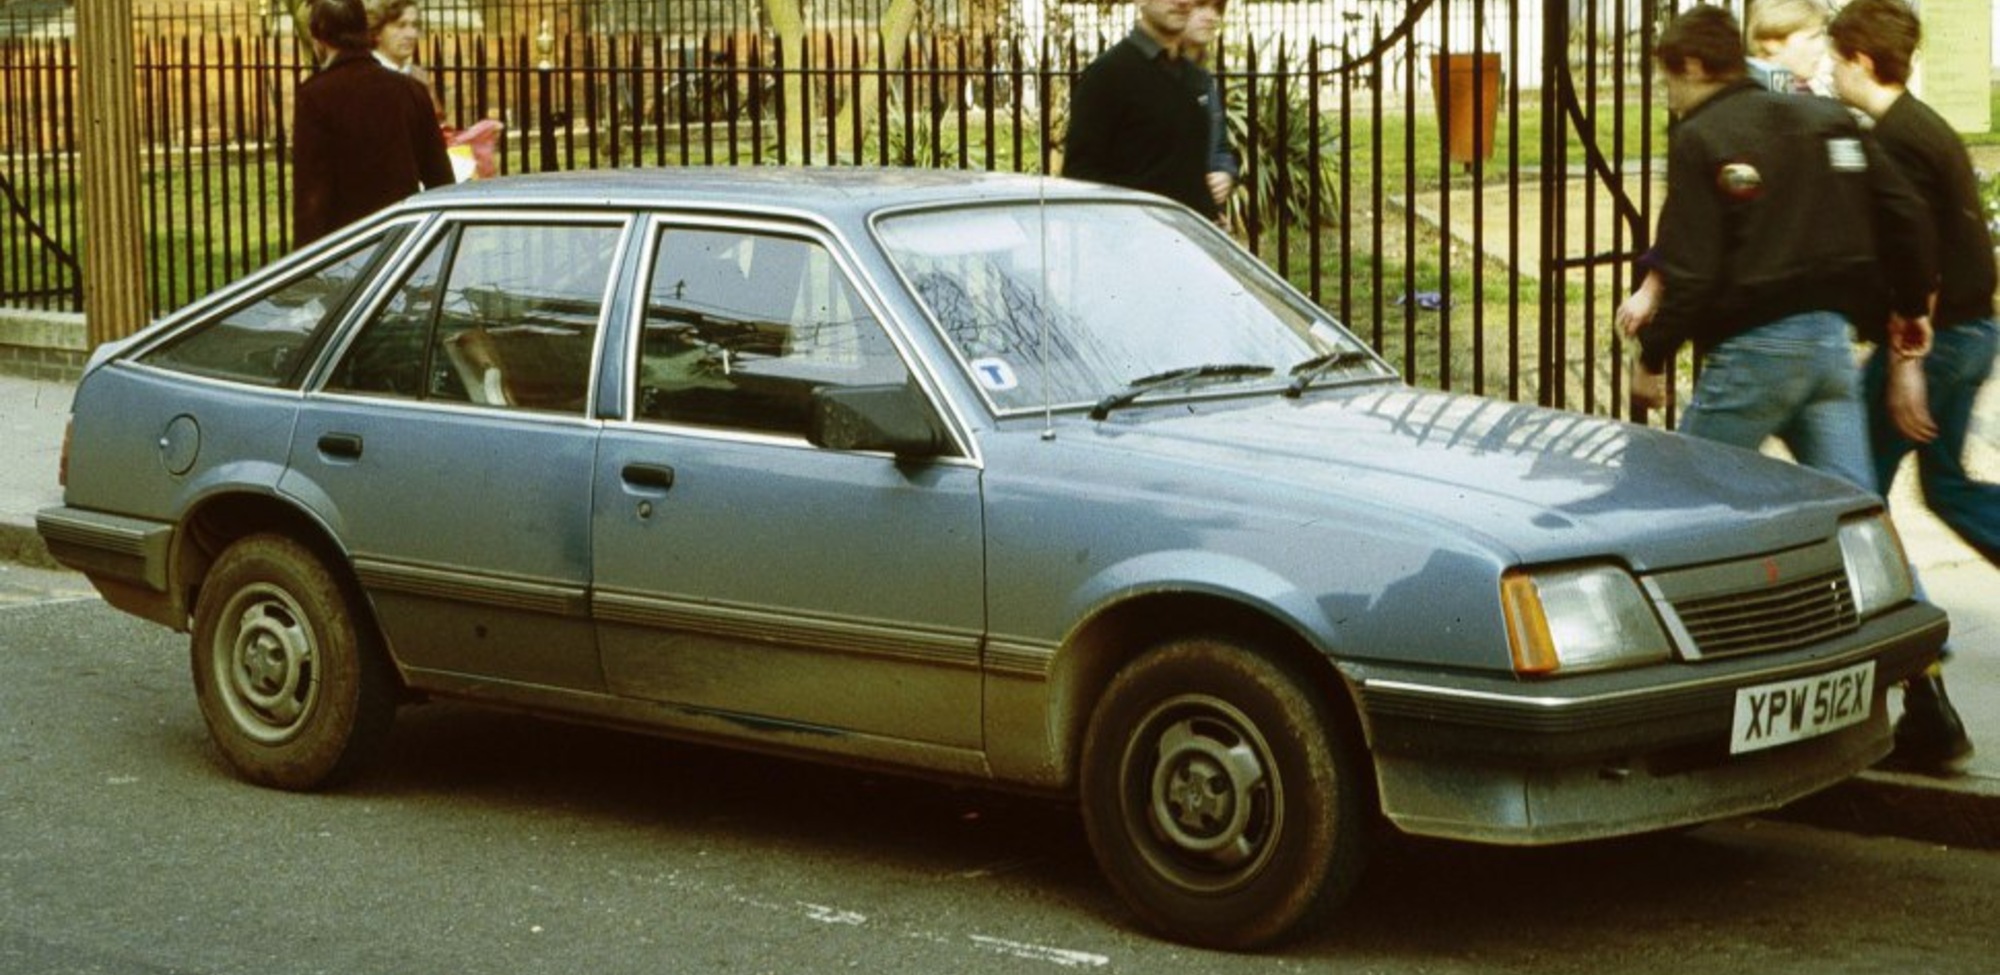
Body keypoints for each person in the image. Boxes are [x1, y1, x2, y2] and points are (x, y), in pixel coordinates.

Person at [1627, 5, 1931, 492]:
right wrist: (1912, 306)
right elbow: (1906, 213)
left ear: (1694, 67)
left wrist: (1652, 357)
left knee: (1678, 493)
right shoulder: (1826, 118)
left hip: (1755, 351)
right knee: (1852, 507)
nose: (1672, 95)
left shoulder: (1700, 136)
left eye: (1670, 81)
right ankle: (1889, 573)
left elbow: (1693, 267)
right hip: (1830, 344)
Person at [1828, 0, 1993, 772]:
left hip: (1940, 342)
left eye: (1835, 60)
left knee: (1853, 496)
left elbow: (1918, 256)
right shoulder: (1923, 126)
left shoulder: (1891, 139)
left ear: (1862, 60)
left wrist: (1905, 363)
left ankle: (1920, 684)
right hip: (1970, 331)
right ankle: (1924, 692)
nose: (1830, 73)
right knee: (1950, 489)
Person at [1616, 0, 1831, 333]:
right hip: (1752, 313)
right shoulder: (1742, 106)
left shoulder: (1810, 103)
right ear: (1773, 42)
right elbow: (1689, 210)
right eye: (1813, 36)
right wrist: (1652, 287)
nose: (1823, 47)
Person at [293, 0, 454, 247]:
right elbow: (440, 181)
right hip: (403, 245)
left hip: (344, 247)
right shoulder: (412, 90)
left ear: (319, 39)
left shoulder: (315, 96)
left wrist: (304, 264)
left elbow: (312, 197)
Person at [1062, 0, 1219, 220]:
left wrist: (1210, 216)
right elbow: (1081, 177)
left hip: (1189, 242)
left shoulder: (1196, 78)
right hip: (1132, 241)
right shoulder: (1107, 75)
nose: (1184, 2)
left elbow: (1187, 168)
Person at [1185, 0, 1239, 220]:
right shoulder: (1155, 77)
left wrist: (1225, 174)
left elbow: (1220, 148)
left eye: (1217, 8)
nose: (1211, 16)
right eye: (1201, 5)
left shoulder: (1204, 79)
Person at [366, 0, 444, 121]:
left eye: (414, 25)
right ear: (377, 32)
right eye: (401, 25)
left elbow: (438, 125)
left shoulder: (418, 76)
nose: (411, 34)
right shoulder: (365, 76)